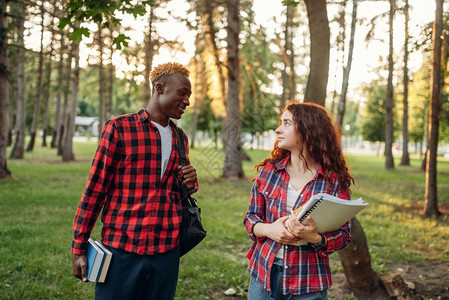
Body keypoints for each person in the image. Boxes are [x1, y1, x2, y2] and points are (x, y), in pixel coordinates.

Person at [71, 62, 198, 300]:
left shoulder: (181, 137)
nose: (187, 101)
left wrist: (190, 182)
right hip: (121, 251)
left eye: (189, 95)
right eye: (182, 93)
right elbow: (94, 190)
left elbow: (178, 192)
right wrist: (79, 246)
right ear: (160, 88)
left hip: (166, 254)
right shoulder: (119, 128)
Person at [243, 102, 354, 300]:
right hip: (264, 273)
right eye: (281, 123)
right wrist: (270, 230)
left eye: (287, 123)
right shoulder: (269, 172)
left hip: (307, 280)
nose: (278, 129)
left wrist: (317, 239)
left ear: (307, 129)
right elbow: (251, 218)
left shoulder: (333, 181)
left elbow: (344, 235)